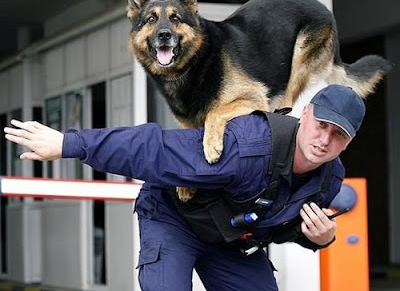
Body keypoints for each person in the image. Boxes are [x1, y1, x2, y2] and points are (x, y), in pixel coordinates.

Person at [4, 84, 365, 291]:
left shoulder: (329, 178)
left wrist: (318, 238)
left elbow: (275, 223)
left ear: (348, 142)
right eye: (321, 125)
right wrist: (69, 144)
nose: (324, 140)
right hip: (174, 217)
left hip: (230, 240)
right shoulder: (249, 146)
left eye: (339, 135)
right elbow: (154, 148)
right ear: (305, 114)